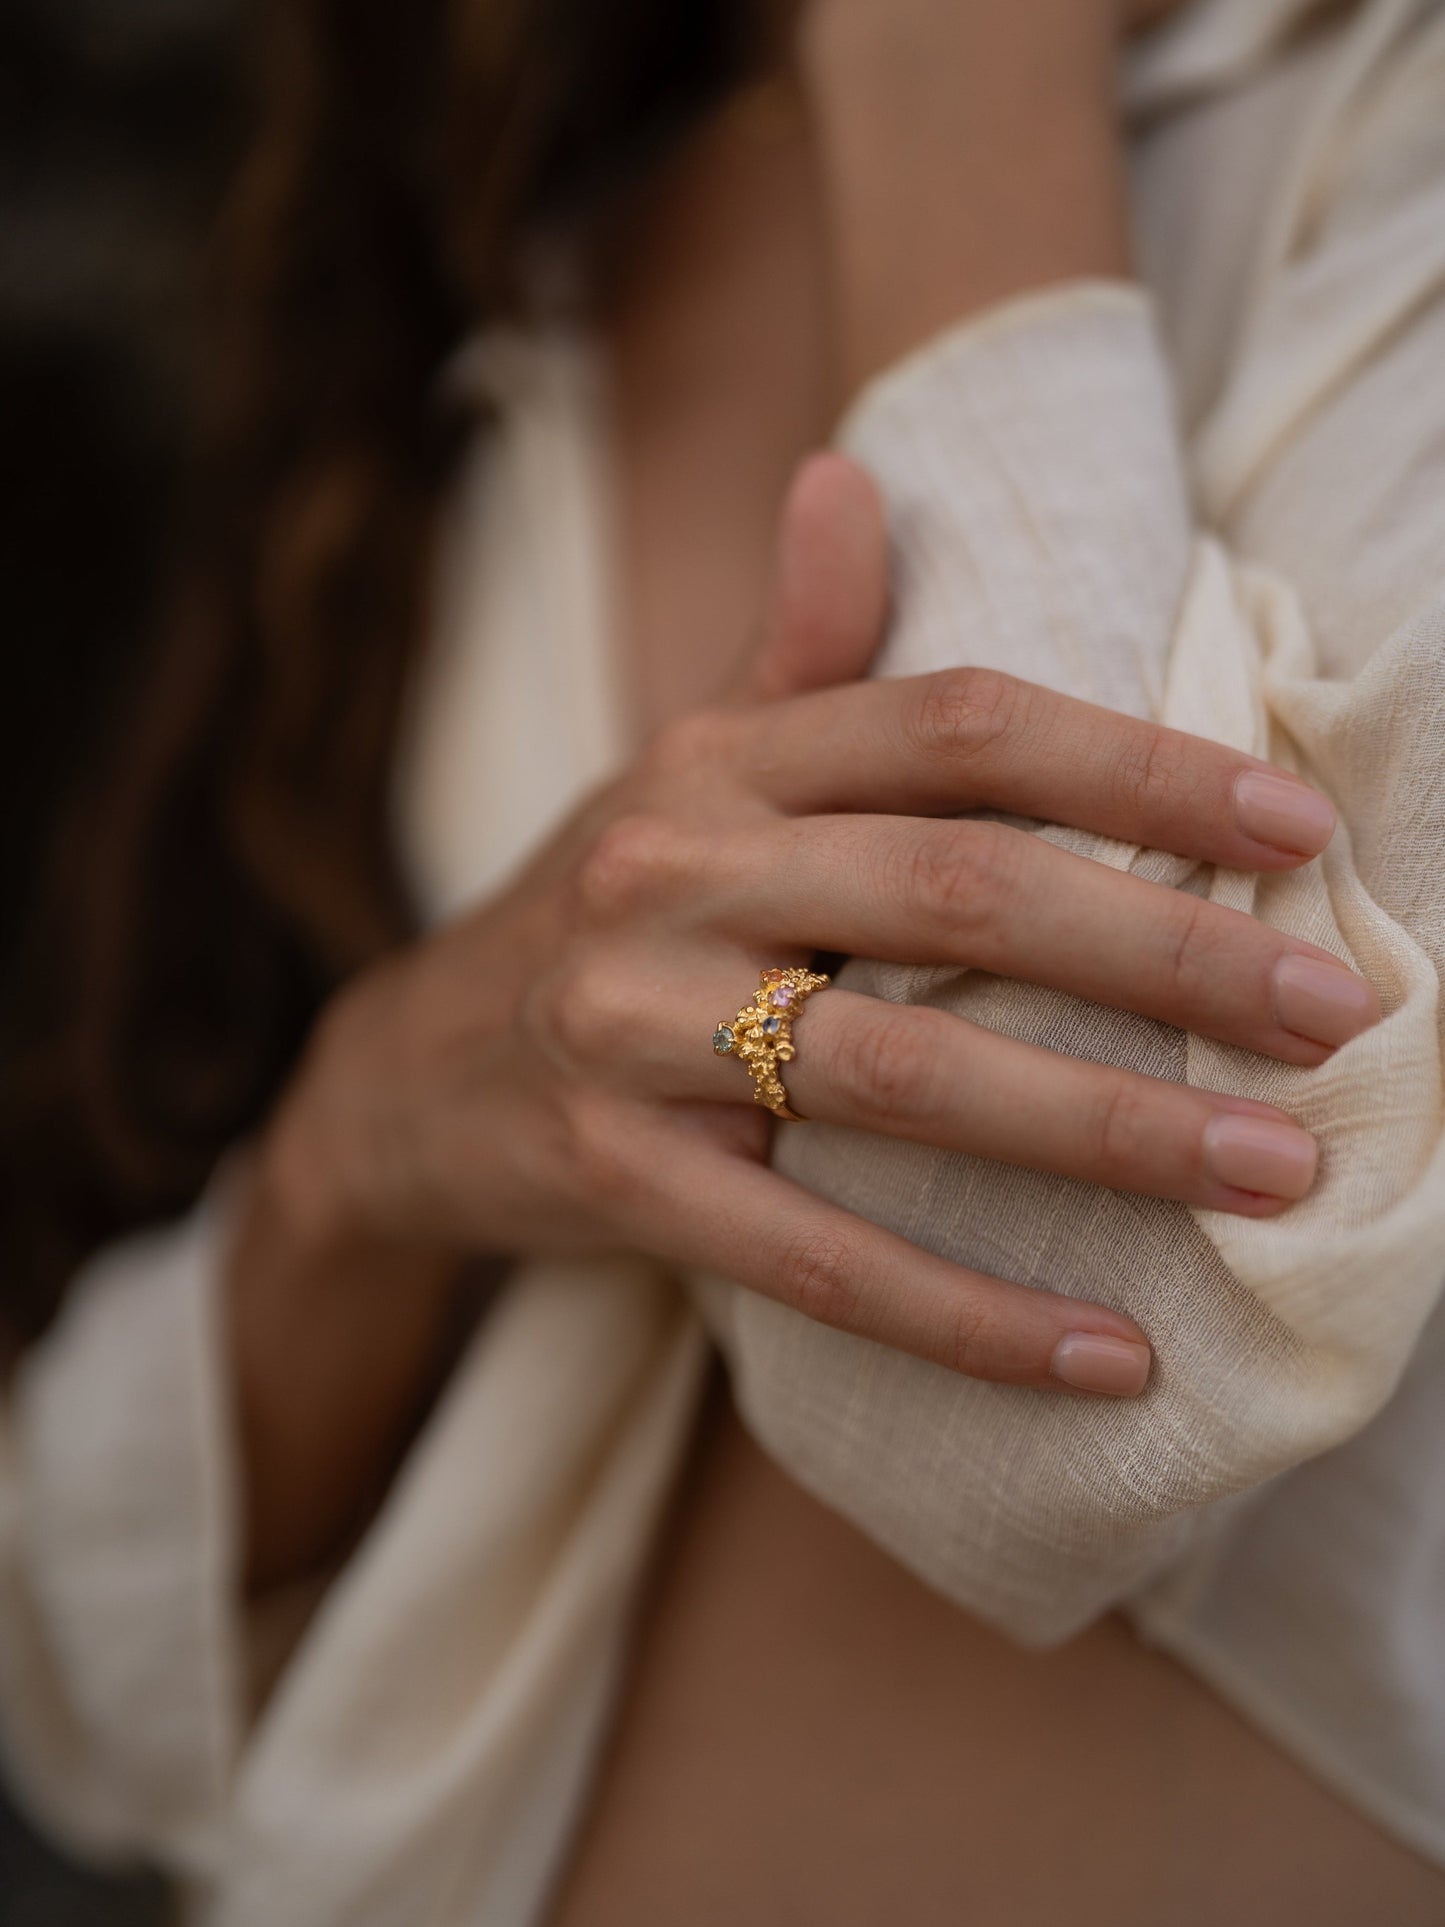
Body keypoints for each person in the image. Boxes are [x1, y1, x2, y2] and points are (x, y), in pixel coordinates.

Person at [1, 0, 1442, 1921]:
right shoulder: (512, 273)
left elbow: (1091, 1327)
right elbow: (83, 1668)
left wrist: (952, 92)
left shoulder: (1389, 111)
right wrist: (363, 1145)